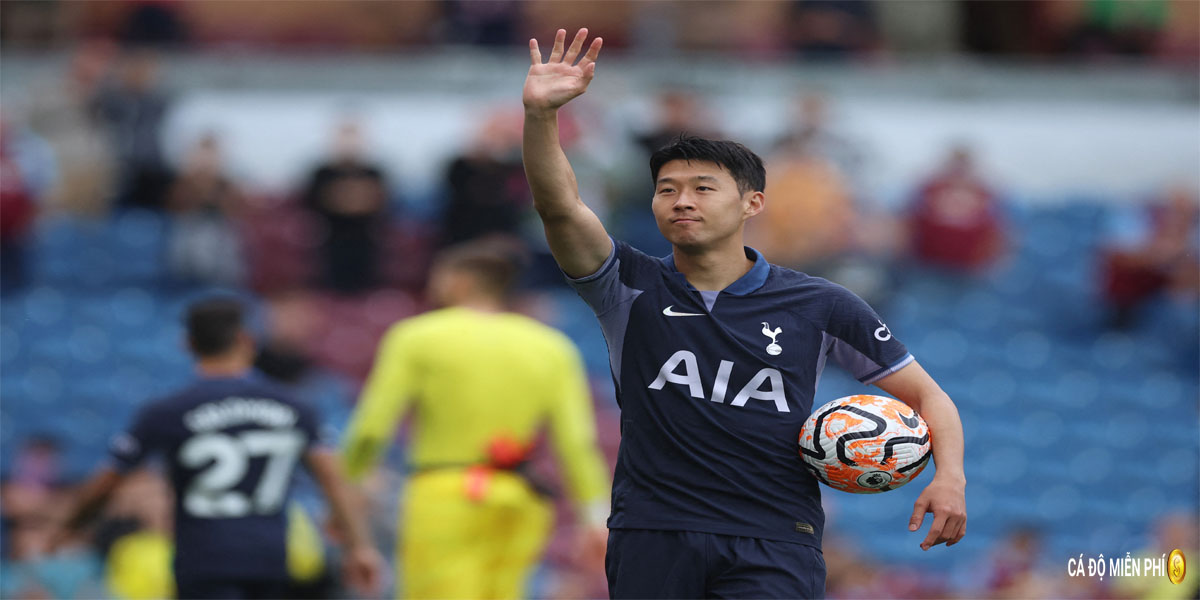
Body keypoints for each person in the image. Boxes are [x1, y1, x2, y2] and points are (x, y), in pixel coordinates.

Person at [522, 28, 967, 598]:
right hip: (653, 534)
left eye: (703, 187)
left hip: (777, 538)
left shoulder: (821, 303)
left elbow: (931, 397)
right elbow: (558, 207)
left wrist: (949, 477)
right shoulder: (626, 286)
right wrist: (540, 117)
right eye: (667, 190)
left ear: (752, 202)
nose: (682, 200)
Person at [51, 297, 383, 600]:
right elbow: (332, 479)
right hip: (269, 559)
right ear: (247, 340)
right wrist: (359, 547)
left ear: (189, 344)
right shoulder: (295, 407)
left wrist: (69, 526)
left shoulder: (168, 412)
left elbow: (108, 480)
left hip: (202, 561)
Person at [341, 238, 610, 599]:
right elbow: (577, 443)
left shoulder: (416, 337)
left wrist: (346, 489)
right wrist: (594, 518)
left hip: (444, 496)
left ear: (459, 281)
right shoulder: (551, 346)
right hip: (520, 499)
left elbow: (371, 429)